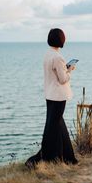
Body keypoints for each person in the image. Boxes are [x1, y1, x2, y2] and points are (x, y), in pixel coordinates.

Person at [25, 28, 78, 168]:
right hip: (59, 96)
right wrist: (70, 70)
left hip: (50, 94)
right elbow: (62, 79)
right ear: (61, 40)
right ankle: (50, 157)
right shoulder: (58, 57)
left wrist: (65, 69)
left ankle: (68, 157)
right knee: (53, 127)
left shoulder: (48, 54)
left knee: (58, 125)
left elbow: (54, 75)